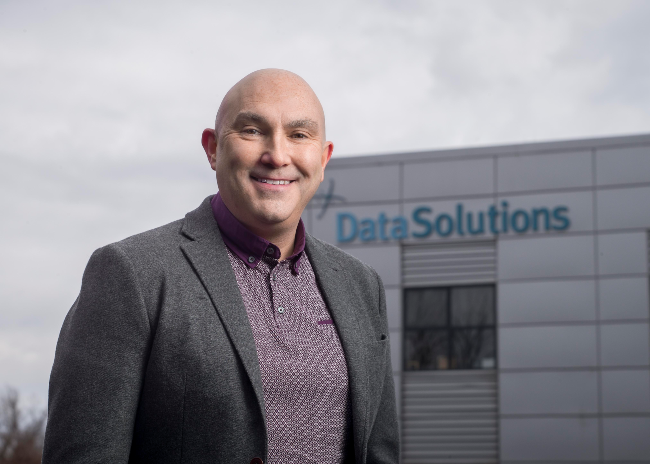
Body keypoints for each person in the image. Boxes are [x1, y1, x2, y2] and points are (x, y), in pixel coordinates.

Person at [43, 69, 399, 464]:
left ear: (323, 157)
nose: (278, 155)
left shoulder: (362, 286)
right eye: (251, 130)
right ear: (212, 149)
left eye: (299, 135)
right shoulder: (130, 273)